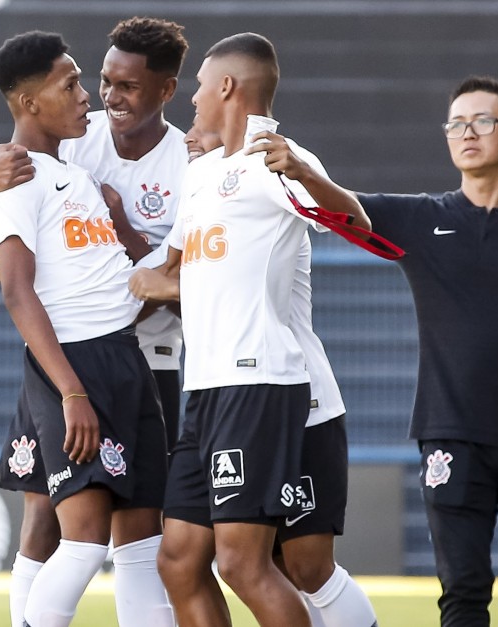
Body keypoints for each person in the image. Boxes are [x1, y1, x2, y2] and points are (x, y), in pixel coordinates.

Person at [259, 74, 498, 627]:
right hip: (451, 440)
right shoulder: (422, 220)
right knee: (464, 593)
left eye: (483, 122)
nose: (467, 133)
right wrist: (302, 171)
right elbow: (348, 212)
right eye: (456, 123)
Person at [128, 33, 372, 627]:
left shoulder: (276, 159)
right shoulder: (204, 173)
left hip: (259, 381)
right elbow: (166, 270)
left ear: (228, 88)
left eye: (199, 86)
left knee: (253, 563)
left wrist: (310, 179)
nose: (191, 100)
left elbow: (361, 227)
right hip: (205, 389)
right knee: (180, 560)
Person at [0, 18, 187, 626]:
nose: (89, 96)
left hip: (131, 359)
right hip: (76, 364)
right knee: (78, 538)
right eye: (74, 84)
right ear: (31, 102)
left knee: (141, 547)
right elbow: (15, 286)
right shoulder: (17, 174)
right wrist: (73, 390)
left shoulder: (79, 172)